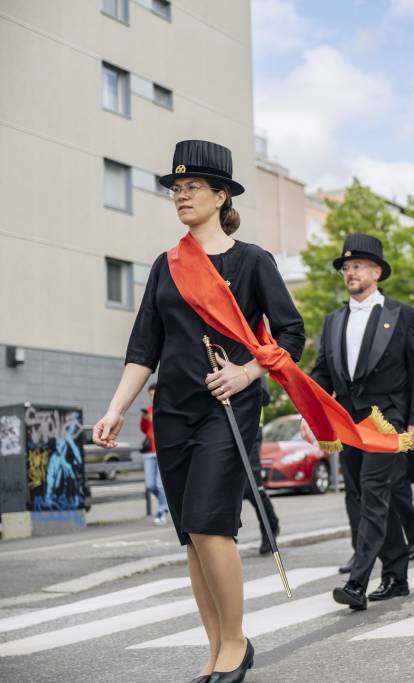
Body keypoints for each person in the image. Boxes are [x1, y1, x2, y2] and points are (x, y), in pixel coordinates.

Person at [94, 139, 305, 682]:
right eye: (175, 188)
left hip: (228, 410)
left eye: (191, 188)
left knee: (213, 525)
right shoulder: (167, 266)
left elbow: (291, 333)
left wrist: (248, 371)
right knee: (191, 533)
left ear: (220, 195)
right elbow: (144, 346)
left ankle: (236, 641)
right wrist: (117, 408)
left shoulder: (253, 261)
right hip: (174, 413)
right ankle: (214, 649)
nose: (181, 196)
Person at [309, 233, 414, 611]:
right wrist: (309, 415)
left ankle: (358, 581)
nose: (350, 272)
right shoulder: (333, 321)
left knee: (374, 493)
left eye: (358, 265)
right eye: (346, 267)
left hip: (387, 420)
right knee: (366, 497)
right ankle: (396, 576)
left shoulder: (403, 315)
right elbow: (322, 375)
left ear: (377, 271)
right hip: (348, 422)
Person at [244, 380, 280, 556]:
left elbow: (265, 397)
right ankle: (225, 538)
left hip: (251, 429)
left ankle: (270, 528)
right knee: (226, 487)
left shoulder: (250, 359)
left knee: (253, 487)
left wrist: (243, 378)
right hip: (224, 429)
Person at [139, 383, 169, 525]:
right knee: (150, 485)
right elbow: (144, 430)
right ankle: (167, 504)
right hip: (149, 452)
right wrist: (145, 419)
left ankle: (161, 510)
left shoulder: (166, 408)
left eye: (154, 394)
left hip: (163, 451)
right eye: (150, 395)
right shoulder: (149, 410)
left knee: (160, 484)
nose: (152, 397)